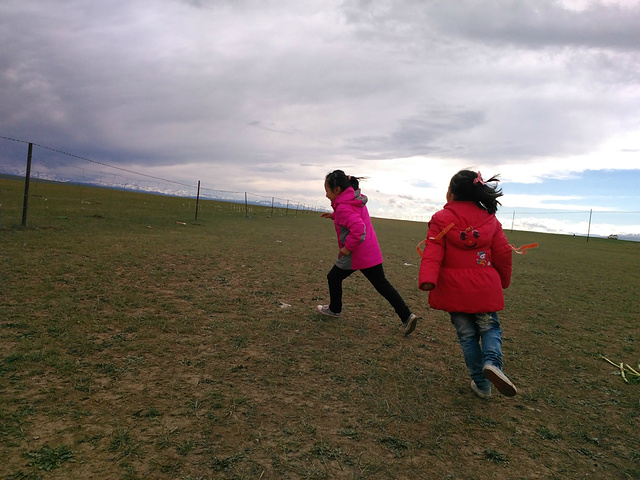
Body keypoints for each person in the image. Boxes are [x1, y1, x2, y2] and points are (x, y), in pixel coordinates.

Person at [418, 170, 516, 398]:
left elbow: (432, 251)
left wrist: (428, 279)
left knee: (467, 336)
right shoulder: (490, 219)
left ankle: (482, 385)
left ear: (451, 194)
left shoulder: (441, 219)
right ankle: (492, 363)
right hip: (484, 289)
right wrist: (503, 280)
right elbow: (503, 253)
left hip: (454, 292)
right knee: (490, 327)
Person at [317, 170, 419, 336]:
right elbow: (352, 215)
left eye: (327, 190)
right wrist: (334, 216)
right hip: (371, 251)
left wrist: (347, 248)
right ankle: (407, 316)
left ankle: (335, 309)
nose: (326, 194)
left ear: (337, 190)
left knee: (333, 277)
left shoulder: (343, 207)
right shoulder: (355, 200)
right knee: (382, 285)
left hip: (356, 254)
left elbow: (357, 227)